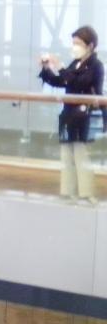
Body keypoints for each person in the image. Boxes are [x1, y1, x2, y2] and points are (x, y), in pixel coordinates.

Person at [39, 25, 103, 201]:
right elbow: (61, 81)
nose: (74, 47)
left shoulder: (96, 66)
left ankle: (86, 194)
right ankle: (67, 192)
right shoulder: (75, 63)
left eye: (78, 43)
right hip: (68, 114)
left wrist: (60, 67)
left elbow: (79, 83)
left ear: (90, 45)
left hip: (84, 115)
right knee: (66, 155)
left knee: (80, 155)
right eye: (73, 43)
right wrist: (47, 69)